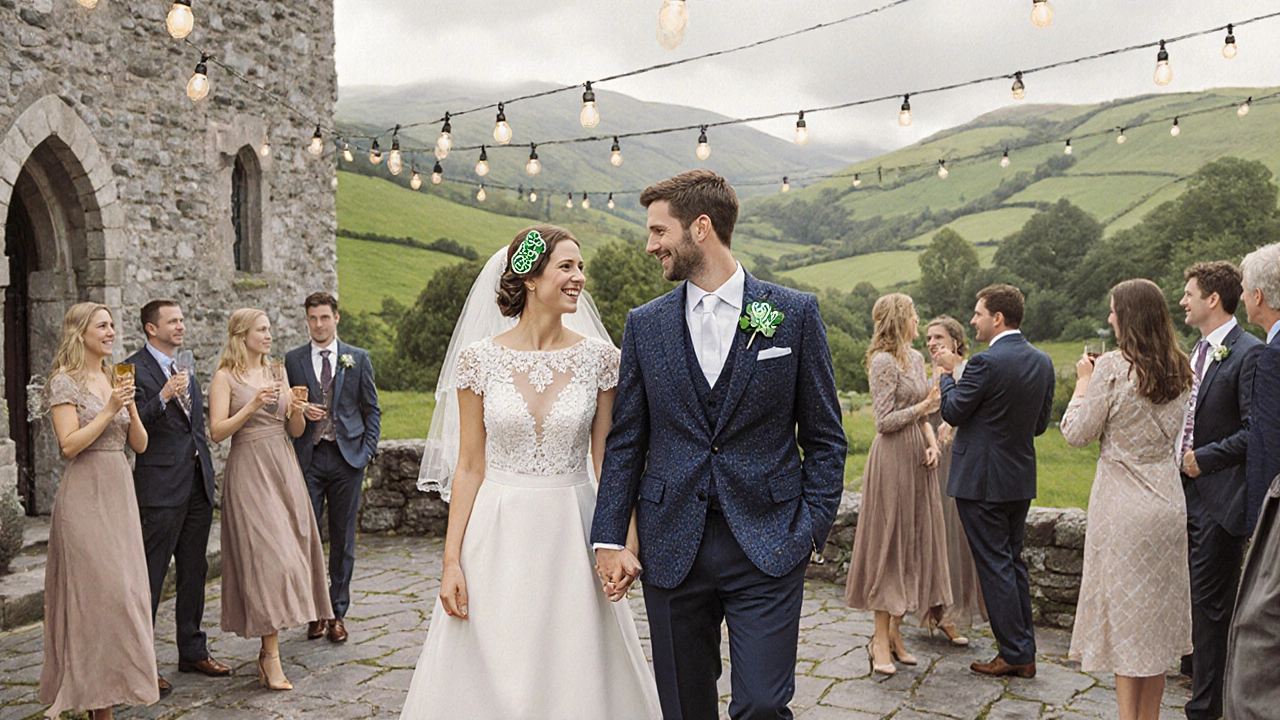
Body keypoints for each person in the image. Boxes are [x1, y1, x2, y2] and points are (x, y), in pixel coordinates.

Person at [592, 170, 847, 719]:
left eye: (660, 231)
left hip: (770, 541)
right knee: (684, 708)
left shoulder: (794, 315)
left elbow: (825, 438)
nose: (650, 244)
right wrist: (611, 535)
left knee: (762, 705)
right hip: (670, 544)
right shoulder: (645, 325)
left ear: (700, 228)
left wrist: (809, 528)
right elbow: (626, 440)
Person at [401, 227, 662, 719]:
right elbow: (469, 467)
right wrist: (451, 561)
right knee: (492, 661)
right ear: (529, 277)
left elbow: (610, 459)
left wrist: (625, 540)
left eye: (579, 267)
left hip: (573, 526)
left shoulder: (602, 360)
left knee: (574, 662)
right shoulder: (478, 360)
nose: (578, 278)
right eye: (566, 267)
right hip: (496, 534)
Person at [1061, 279, 1195, 720]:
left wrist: (1082, 383)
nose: (1110, 318)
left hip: (1122, 508)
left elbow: (1076, 434)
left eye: (1114, 311)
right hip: (1167, 505)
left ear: (1130, 317)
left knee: (1125, 621)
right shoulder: (1182, 367)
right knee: (1153, 627)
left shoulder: (1114, 367)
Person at [38, 303, 158, 720]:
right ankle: (98, 707)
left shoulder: (114, 377)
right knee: (99, 600)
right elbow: (68, 445)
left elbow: (139, 444)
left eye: (111, 325)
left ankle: (112, 690)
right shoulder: (63, 383)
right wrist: (108, 409)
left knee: (127, 597)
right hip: (84, 498)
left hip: (119, 495)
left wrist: (128, 407)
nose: (111, 332)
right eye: (102, 325)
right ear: (80, 333)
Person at [932, 284, 1055, 679]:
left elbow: (951, 411)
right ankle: (1024, 650)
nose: (973, 320)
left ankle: (1015, 653)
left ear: (997, 318)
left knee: (996, 566)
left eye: (978, 313)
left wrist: (947, 375)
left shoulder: (985, 363)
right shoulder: (1043, 361)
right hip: (1018, 477)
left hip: (981, 481)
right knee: (1012, 562)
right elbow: (1038, 425)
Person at [209, 308, 332, 691]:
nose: (269, 335)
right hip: (249, 469)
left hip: (283, 466)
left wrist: (296, 409)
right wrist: (251, 405)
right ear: (242, 335)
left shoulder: (278, 372)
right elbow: (217, 432)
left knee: (291, 553)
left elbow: (294, 429)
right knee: (269, 560)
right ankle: (271, 654)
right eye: (261, 329)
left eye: (269, 329)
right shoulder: (224, 377)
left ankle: (269, 650)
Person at [126, 300, 232, 696]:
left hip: (196, 484)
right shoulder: (133, 368)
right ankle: (142, 662)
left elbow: (196, 427)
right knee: (151, 578)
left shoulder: (185, 362)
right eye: (173, 321)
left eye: (183, 319)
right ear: (152, 329)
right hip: (159, 489)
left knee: (194, 571)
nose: (181, 326)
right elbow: (130, 425)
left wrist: (205, 470)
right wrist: (164, 396)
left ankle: (192, 650)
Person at [844, 294, 950, 676]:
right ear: (899, 319)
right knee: (889, 544)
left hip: (917, 455)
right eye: (915, 315)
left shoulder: (917, 359)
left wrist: (932, 441)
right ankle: (877, 640)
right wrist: (923, 410)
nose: (919, 321)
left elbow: (923, 411)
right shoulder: (883, 362)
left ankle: (896, 634)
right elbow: (884, 421)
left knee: (912, 544)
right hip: (890, 458)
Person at [1174, 262, 1262, 720]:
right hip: (1183, 496)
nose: (1183, 301)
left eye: (1189, 294)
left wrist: (1202, 458)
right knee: (1194, 605)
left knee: (1211, 611)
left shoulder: (1249, 354)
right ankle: (1199, 684)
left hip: (1220, 499)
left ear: (1213, 299)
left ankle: (1205, 709)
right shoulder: (1198, 349)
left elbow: (1256, 433)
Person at [285, 292, 381, 644]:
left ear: (336, 318)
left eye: (324, 317)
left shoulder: (357, 358)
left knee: (342, 539)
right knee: (305, 538)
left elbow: (371, 408)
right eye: (312, 318)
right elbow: (286, 408)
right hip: (308, 458)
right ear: (307, 320)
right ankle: (314, 612)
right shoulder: (293, 360)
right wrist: (300, 410)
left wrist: (368, 450)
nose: (318, 324)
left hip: (347, 459)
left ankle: (338, 613)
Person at [1224, 241, 1280, 720]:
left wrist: (1255, 524)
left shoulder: (1272, 357)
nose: (1242, 297)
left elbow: (1266, 447)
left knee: (1259, 634)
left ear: (1259, 296)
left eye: (1244, 290)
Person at [923, 315, 987, 644]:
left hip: (960, 462)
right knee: (930, 537)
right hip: (928, 462)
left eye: (939, 337)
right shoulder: (924, 373)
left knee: (954, 539)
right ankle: (928, 609)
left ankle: (950, 613)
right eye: (929, 338)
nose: (932, 342)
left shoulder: (972, 370)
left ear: (956, 341)